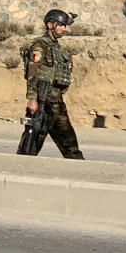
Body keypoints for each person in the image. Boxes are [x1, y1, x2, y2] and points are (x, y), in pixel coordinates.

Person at [16, 9, 84, 159]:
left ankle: (80, 172)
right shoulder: (40, 45)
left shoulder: (56, 47)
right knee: (30, 145)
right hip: (42, 103)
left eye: (64, 26)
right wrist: (32, 98)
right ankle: (20, 172)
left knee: (70, 146)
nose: (63, 29)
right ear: (50, 25)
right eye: (60, 25)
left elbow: (56, 70)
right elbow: (32, 72)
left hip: (56, 103)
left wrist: (62, 83)